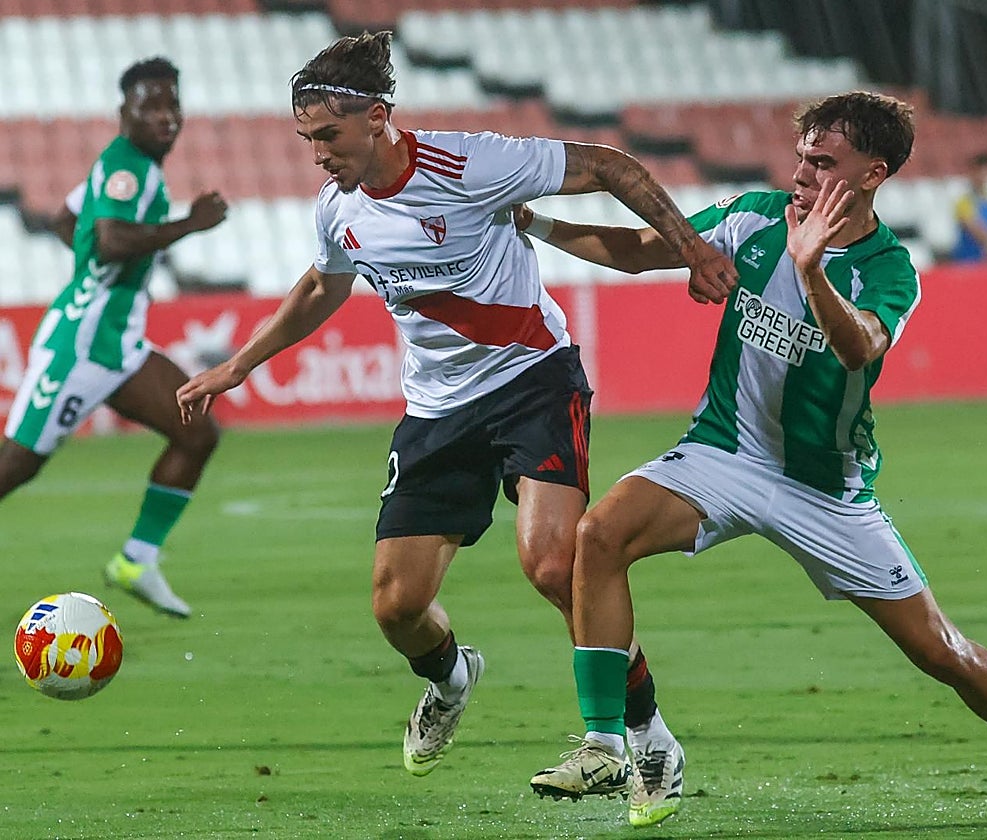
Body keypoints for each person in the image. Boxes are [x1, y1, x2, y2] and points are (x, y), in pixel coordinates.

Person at [525, 91, 987, 827]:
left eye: (823, 161)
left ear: (872, 174)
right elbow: (638, 254)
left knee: (942, 651)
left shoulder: (891, 269)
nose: (802, 170)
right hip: (724, 453)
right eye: (802, 154)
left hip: (826, 491)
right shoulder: (755, 216)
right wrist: (534, 221)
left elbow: (860, 345)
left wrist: (811, 269)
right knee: (598, 538)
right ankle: (615, 743)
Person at [173, 31, 736, 819]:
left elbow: (613, 166)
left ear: (377, 118)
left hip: (531, 380)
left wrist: (695, 250)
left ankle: (644, 740)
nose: (317, 155)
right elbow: (321, 285)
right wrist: (240, 365)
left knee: (551, 564)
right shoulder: (337, 206)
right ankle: (451, 677)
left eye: (327, 136)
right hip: (437, 408)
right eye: (307, 139)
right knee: (395, 606)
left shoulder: (469, 163)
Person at [0, 57, 227, 618]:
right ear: (123, 112)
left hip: (118, 346)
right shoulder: (127, 168)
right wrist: (188, 224)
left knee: (196, 432)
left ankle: (136, 559)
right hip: (79, 347)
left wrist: (92, 274)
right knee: (14, 467)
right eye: (150, 105)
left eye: (171, 103)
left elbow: (67, 221)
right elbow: (108, 241)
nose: (165, 116)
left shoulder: (125, 168)